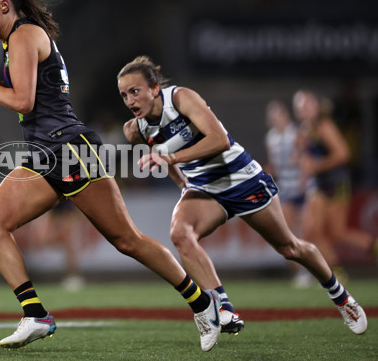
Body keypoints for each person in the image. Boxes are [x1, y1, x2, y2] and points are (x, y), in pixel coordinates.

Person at [0, 0, 222, 352]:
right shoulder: (17, 41)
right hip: (45, 154)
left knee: (127, 240)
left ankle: (201, 302)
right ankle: (35, 315)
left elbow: (24, 102)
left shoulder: (25, 34)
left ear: (5, 5)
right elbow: (32, 99)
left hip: (70, 149)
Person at [117, 56, 368, 338]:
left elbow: (218, 139)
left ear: (153, 88)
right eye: (124, 95)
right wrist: (181, 182)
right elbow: (160, 154)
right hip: (204, 187)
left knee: (290, 248)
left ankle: (341, 296)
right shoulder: (135, 129)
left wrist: (171, 156)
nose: (129, 100)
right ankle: (223, 308)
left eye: (134, 91)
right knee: (180, 234)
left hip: (242, 177)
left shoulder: (181, 98)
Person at [293, 89, 378, 281]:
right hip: (319, 184)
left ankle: (374, 247)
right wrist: (301, 165)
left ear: (315, 106)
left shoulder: (324, 125)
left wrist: (317, 165)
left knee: (338, 232)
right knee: (313, 230)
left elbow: (343, 154)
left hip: (336, 182)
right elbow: (304, 159)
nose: (302, 109)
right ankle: (335, 272)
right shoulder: (305, 129)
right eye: (299, 106)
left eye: (306, 105)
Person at [264, 100, 307, 286]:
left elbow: (306, 157)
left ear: (285, 115)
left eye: (278, 114)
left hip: (304, 187)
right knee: (287, 233)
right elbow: (274, 165)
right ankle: (302, 273)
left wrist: (304, 181)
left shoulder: (296, 133)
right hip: (287, 189)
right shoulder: (271, 138)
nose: (275, 119)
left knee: (309, 231)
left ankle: (323, 270)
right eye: (272, 116)